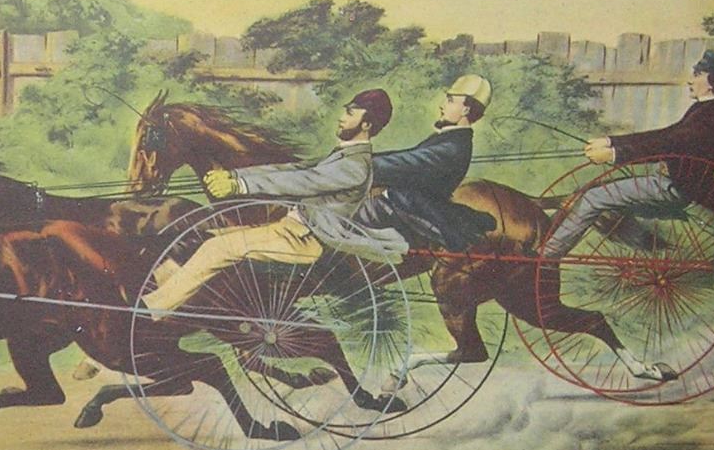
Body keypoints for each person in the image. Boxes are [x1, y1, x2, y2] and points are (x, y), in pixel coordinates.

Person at [536, 49, 714, 382]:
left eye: (696, 74)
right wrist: (611, 142)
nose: (690, 80)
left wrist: (614, 153)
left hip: (671, 189)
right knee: (602, 194)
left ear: (710, 81)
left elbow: (667, 141)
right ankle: (633, 239)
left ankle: (547, 256)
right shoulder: (702, 112)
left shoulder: (706, 118)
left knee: (593, 197)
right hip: (669, 181)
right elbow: (664, 137)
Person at [140, 90, 405, 317]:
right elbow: (290, 169)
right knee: (206, 236)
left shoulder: (355, 167)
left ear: (366, 124)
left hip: (307, 240)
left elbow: (303, 181)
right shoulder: (343, 156)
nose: (342, 116)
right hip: (290, 230)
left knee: (218, 248)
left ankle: (149, 310)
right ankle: (165, 292)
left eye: (350, 112)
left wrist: (240, 186)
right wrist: (234, 176)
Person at [353, 74, 495, 253]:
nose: (442, 105)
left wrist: (355, 164)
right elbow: (406, 156)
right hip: (405, 204)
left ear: (465, 110)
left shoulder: (453, 147)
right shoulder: (449, 139)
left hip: (408, 209)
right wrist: (360, 157)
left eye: (450, 100)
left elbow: (405, 163)